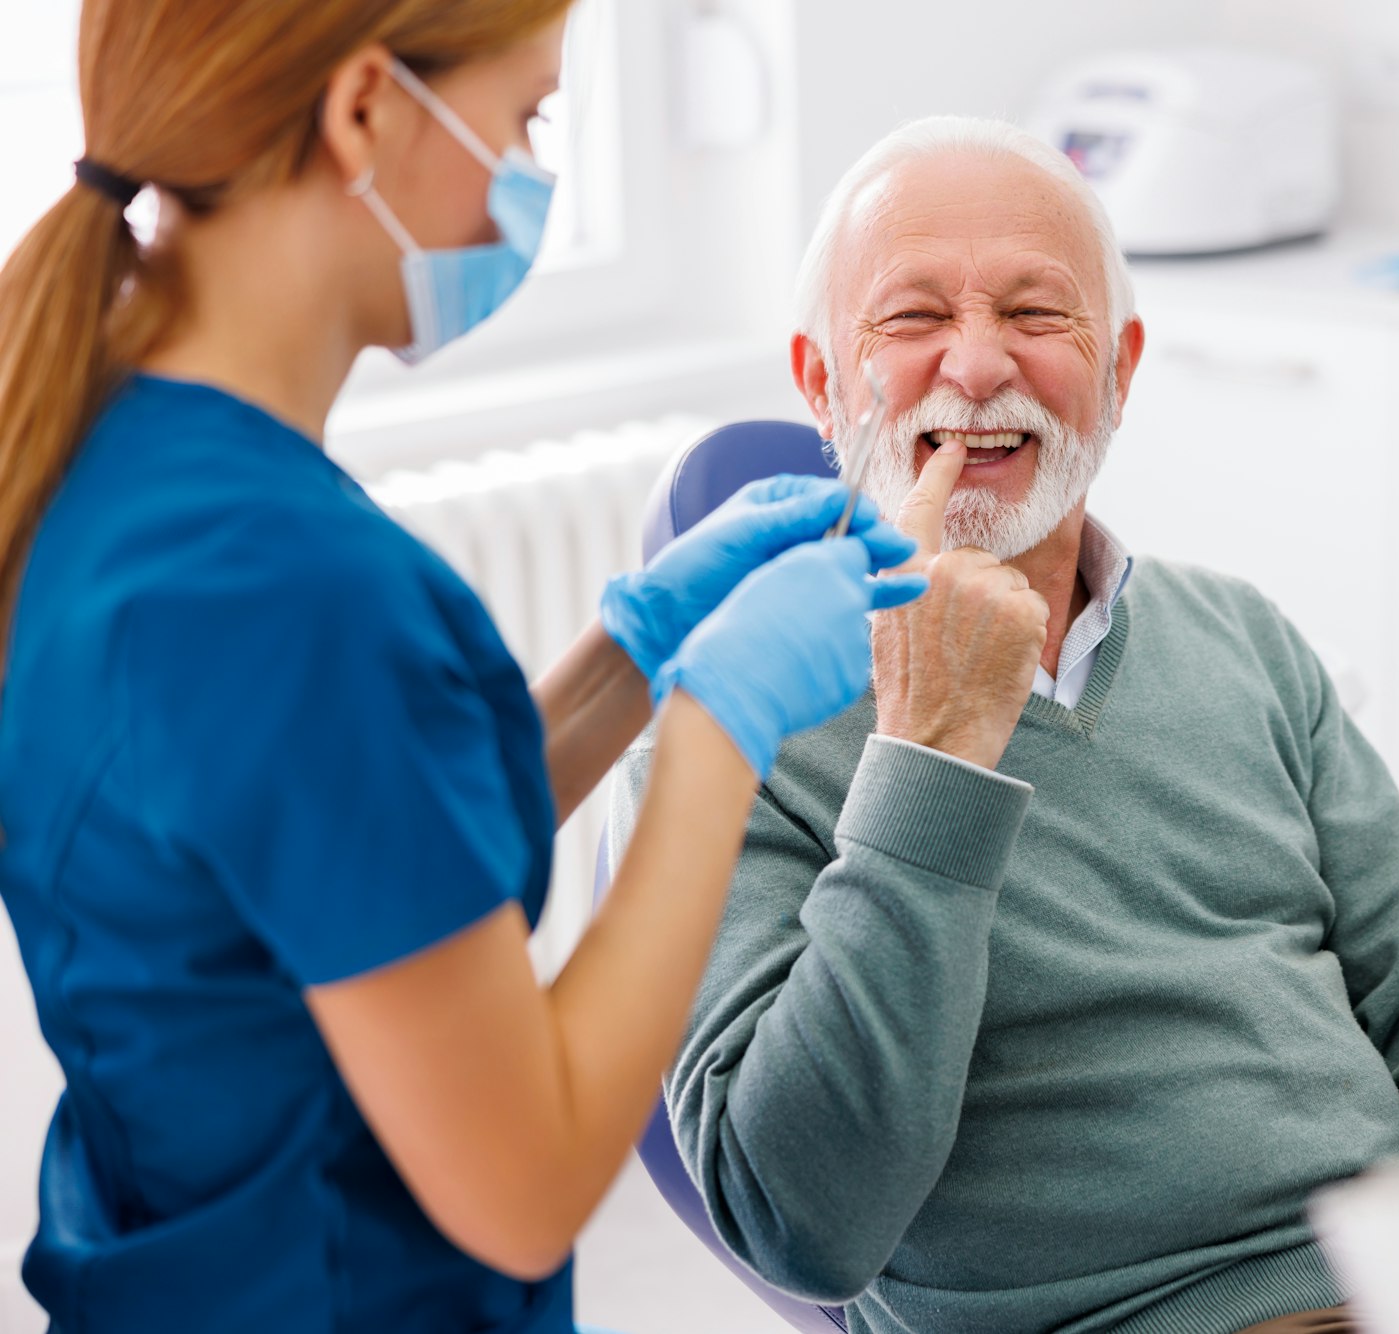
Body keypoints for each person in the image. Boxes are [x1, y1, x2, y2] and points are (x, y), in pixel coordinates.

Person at [0, 3, 943, 1329]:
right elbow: (527, 1180)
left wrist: (636, 654)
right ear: (366, 110)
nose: (533, 173)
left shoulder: (117, 460)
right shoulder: (290, 590)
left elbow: (364, 860)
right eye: (526, 119)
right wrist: (722, 731)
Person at [609, 116, 1399, 1334]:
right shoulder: (724, 750)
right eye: (912, 318)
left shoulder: (1239, 637)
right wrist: (930, 755)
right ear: (820, 382)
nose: (976, 367)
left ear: (1119, 370)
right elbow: (798, 1219)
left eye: (1035, 315)